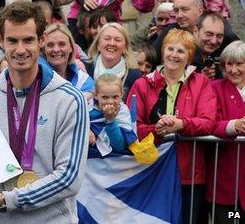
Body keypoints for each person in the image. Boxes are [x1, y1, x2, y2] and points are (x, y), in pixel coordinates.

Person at [0, 0, 88, 223]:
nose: (20, 50)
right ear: (1, 41)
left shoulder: (69, 99)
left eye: (28, 40)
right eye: (12, 40)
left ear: (42, 40)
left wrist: (7, 200)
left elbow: (68, 177)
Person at [127, 28, 217, 224]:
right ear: (163, 51)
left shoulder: (201, 83)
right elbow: (130, 127)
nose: (174, 55)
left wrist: (181, 125)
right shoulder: (142, 84)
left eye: (181, 51)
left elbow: (209, 123)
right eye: (170, 49)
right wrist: (156, 130)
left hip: (189, 175)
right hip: (151, 170)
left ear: (189, 57)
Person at [207, 40, 245, 222]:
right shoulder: (215, 88)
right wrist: (233, 126)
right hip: (226, 179)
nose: (234, 70)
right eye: (229, 64)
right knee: (230, 219)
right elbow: (209, 123)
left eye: (239, 64)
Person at [85, 22, 140, 99]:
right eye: (107, 39)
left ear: (125, 48)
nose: (112, 43)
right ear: (98, 45)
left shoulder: (134, 76)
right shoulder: (84, 69)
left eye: (117, 40)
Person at [42, 23, 94, 96]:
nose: (56, 49)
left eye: (62, 44)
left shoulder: (82, 80)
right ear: (44, 50)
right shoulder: (37, 78)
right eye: (50, 45)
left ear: (71, 48)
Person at [89, 73, 136, 153]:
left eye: (115, 97)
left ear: (122, 94)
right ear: (95, 95)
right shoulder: (86, 108)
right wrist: (87, 130)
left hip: (113, 161)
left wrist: (111, 120)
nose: (110, 102)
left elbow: (119, 146)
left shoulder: (122, 111)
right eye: (105, 97)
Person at [192, 11, 225, 80]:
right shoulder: (182, 56)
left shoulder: (221, 58)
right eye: (209, 34)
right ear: (195, 32)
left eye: (219, 36)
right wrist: (200, 80)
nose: (214, 41)